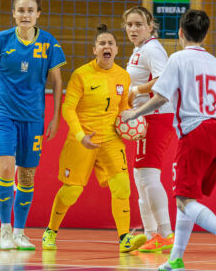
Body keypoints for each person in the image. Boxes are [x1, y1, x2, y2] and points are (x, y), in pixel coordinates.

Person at [122, 9, 216, 271]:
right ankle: (176, 258)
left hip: (194, 135)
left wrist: (134, 113)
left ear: (181, 33)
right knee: (187, 195)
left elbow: (161, 98)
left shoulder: (177, 59)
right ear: (205, 35)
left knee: (183, 200)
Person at [41, 24, 147, 253]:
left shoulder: (123, 76)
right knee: (72, 191)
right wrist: (81, 136)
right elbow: (68, 108)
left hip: (110, 139)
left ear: (117, 50)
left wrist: (133, 123)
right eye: (102, 44)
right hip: (83, 139)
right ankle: (50, 230)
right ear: (94, 50)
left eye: (110, 43)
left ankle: (124, 238)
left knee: (122, 187)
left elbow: (123, 107)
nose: (106, 47)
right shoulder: (82, 74)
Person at [0, 0, 65, 250]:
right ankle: (5, 231)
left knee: (27, 176)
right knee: (7, 167)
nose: (25, 15)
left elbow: (56, 80)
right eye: (21, 10)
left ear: (38, 14)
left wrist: (55, 117)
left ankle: (20, 232)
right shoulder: (1, 40)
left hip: (33, 118)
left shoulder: (49, 43)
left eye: (30, 10)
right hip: (4, 114)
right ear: (14, 14)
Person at [122, 6, 175, 252]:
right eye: (129, 25)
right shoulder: (139, 50)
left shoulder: (153, 49)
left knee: (147, 176)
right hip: (146, 117)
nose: (133, 29)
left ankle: (165, 233)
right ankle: (151, 233)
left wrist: (135, 91)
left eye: (138, 24)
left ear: (150, 26)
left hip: (156, 115)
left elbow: (164, 80)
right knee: (140, 177)